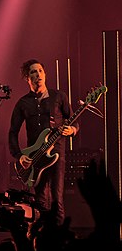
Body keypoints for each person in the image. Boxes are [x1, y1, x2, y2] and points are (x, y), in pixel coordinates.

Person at [8, 59, 78, 226]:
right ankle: (41, 239)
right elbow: (13, 132)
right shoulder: (23, 103)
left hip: (56, 154)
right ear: (27, 78)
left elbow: (73, 120)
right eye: (33, 71)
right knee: (40, 201)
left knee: (56, 198)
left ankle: (58, 238)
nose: (37, 74)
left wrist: (73, 130)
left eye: (40, 70)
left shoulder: (59, 96)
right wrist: (19, 156)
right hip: (35, 158)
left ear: (45, 74)